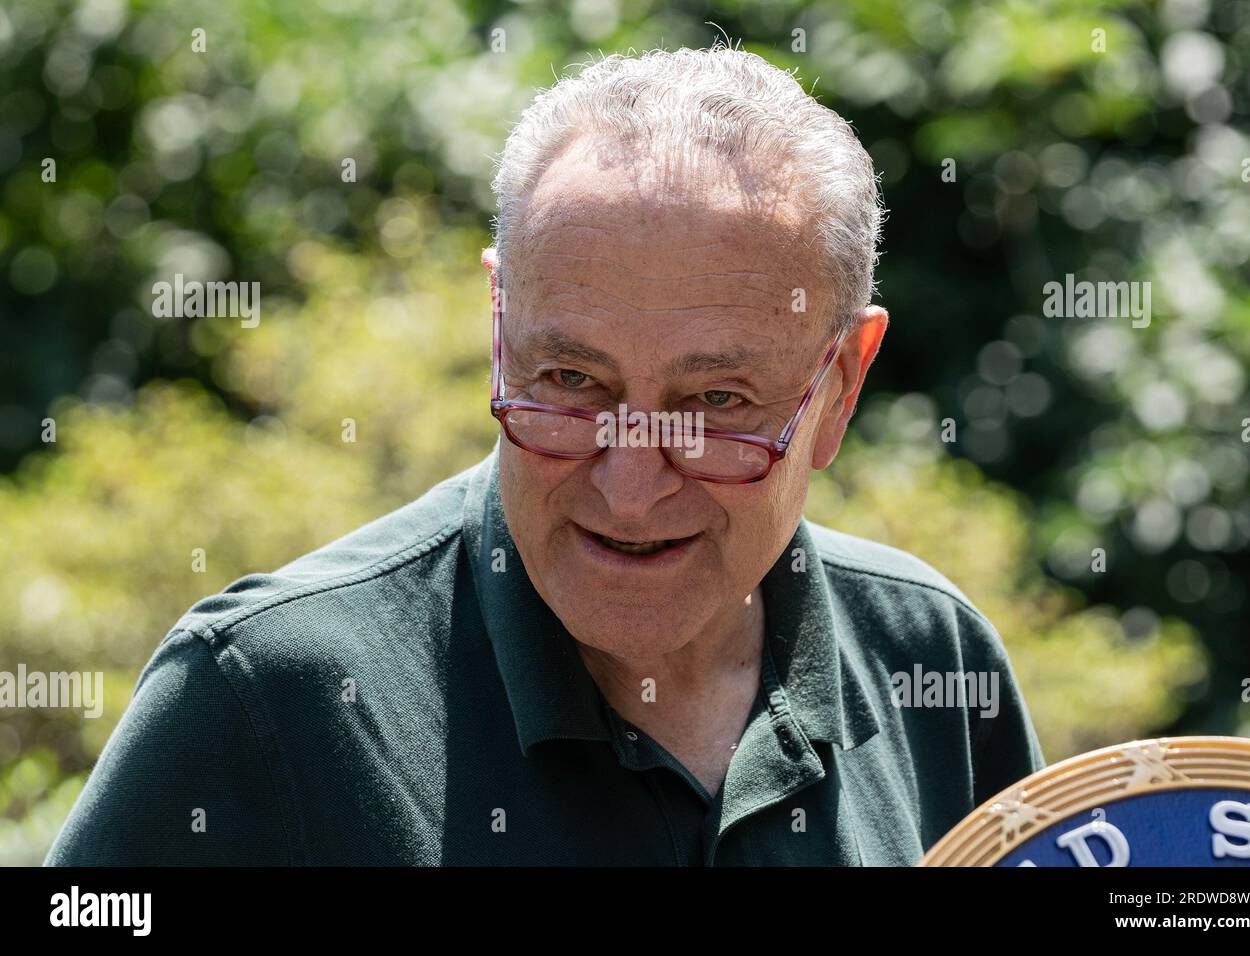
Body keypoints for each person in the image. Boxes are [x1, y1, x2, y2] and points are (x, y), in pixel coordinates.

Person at [46, 43, 1044, 866]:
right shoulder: (261, 697)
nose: (631, 483)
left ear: (843, 386)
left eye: (713, 404)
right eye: (572, 382)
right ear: (498, 322)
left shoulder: (936, 662)